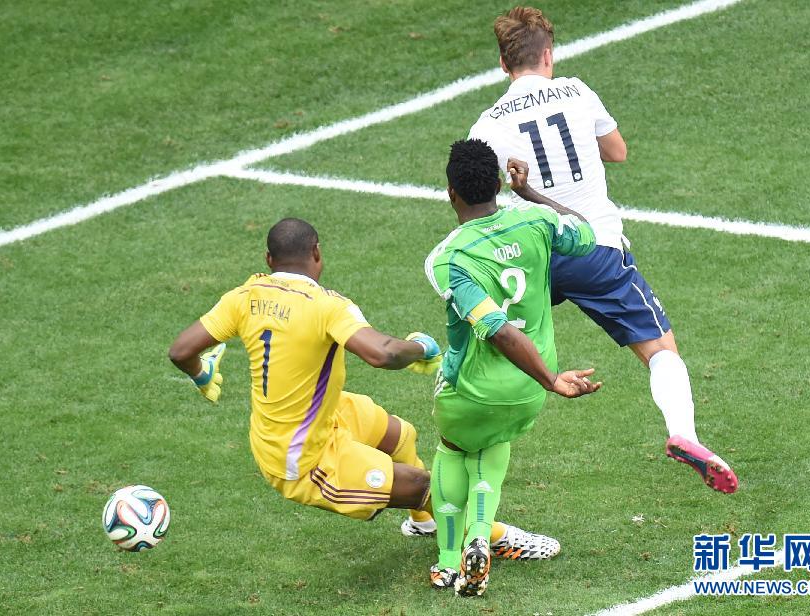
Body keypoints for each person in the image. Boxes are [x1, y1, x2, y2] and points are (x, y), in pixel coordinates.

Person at [168, 218, 555, 559]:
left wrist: (200, 373)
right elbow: (382, 354)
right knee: (425, 484)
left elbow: (181, 351)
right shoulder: (327, 305)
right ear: (317, 254)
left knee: (400, 435)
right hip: (303, 462)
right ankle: (495, 537)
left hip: (317, 417)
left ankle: (424, 523)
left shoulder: (244, 296)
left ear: (268, 260)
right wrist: (422, 347)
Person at [467, 6, 737, 494]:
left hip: (531, 259)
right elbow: (617, 151)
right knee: (659, 349)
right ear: (548, 54)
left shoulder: (487, 123)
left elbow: (477, 200)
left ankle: (462, 464)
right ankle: (683, 434)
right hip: (596, 248)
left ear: (504, 65)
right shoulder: (577, 90)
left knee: (495, 344)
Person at [425, 139, 602, 597]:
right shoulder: (537, 221)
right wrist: (533, 195)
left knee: (451, 447)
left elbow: (497, 330)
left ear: (451, 192)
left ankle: (447, 562)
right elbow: (584, 231)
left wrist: (552, 381)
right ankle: (480, 537)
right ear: (502, 182)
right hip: (527, 391)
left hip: (474, 391)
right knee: (493, 447)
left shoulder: (448, 259)